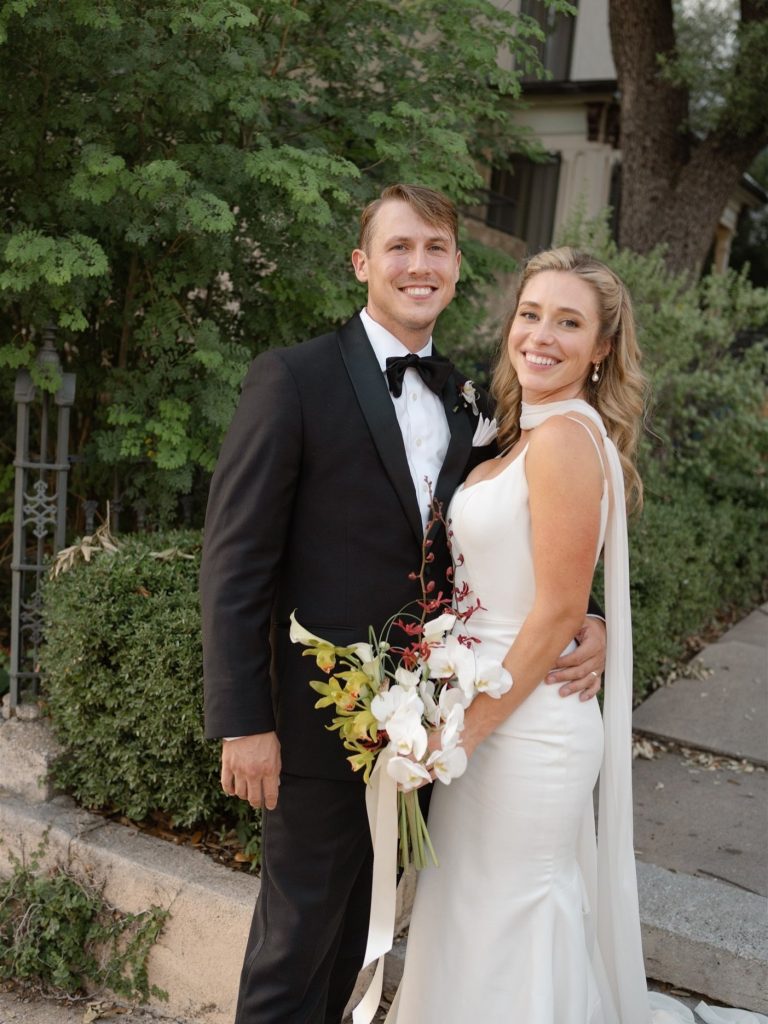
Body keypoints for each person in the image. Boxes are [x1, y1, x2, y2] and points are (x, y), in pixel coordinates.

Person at [200, 187, 606, 1024]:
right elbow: (235, 560)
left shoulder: (474, 401)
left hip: (424, 728)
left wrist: (586, 616)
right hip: (317, 725)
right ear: (363, 264)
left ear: (456, 267)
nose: (418, 265)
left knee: (357, 941)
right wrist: (243, 721)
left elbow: (521, 527)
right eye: (398, 247)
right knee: (292, 950)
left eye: (435, 248)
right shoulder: (294, 378)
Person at [385, 249, 760, 1024]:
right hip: (487, 709)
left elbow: (557, 612)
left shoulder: (561, 440)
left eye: (568, 322)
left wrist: (459, 737)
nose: (541, 336)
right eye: (531, 314)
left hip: (526, 731)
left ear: (601, 349)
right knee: (471, 920)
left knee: (512, 923)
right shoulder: (523, 433)